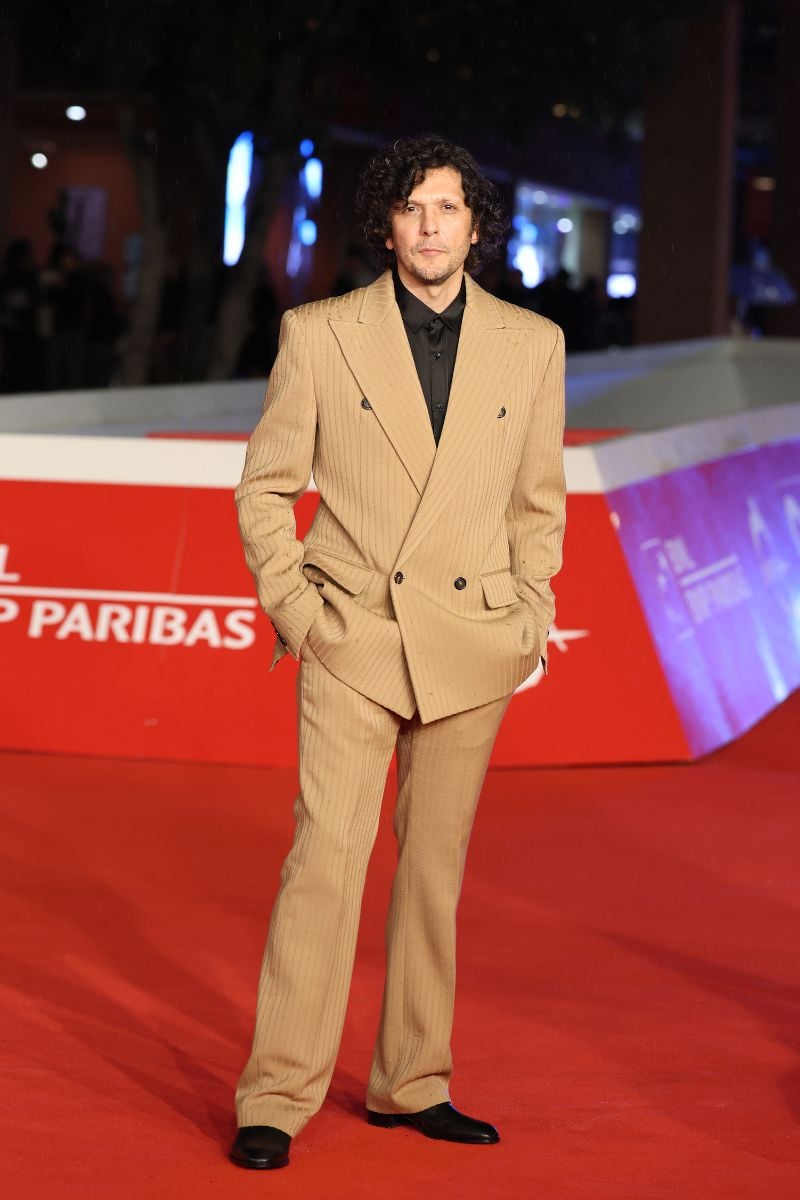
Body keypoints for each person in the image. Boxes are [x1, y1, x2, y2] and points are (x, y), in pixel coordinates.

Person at [230, 133, 566, 1171]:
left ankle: (412, 1081)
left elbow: (537, 501)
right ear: (385, 223)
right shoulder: (319, 333)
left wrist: (528, 616)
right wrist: (299, 611)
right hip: (353, 635)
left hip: (472, 641)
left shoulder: (533, 343)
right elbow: (265, 487)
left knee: (433, 872)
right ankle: (276, 1095)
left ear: (475, 225)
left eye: (448, 207)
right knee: (323, 864)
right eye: (412, 207)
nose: (429, 225)